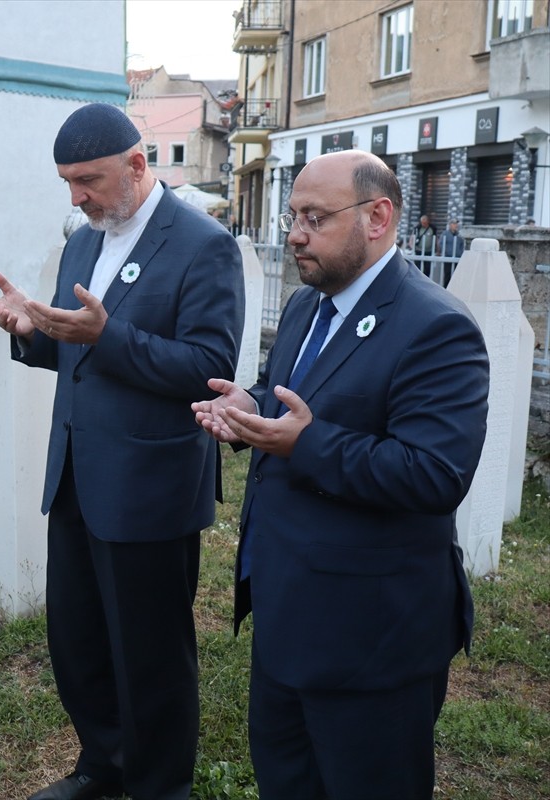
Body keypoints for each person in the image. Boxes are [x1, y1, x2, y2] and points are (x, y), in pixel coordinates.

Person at [192, 150, 488, 799]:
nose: (295, 233)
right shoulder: (306, 305)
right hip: (287, 616)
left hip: (371, 641)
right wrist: (253, 402)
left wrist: (307, 445)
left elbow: (436, 473)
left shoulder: (436, 329)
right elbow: (294, 392)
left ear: (377, 217)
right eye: (292, 215)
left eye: (314, 218)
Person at [0, 103, 244, 800]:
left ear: (137, 165)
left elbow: (209, 367)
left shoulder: (201, 245)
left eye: (88, 179)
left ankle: (160, 786)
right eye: (66, 181)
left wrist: (107, 338)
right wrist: (29, 333)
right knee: (80, 643)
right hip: (75, 475)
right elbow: (77, 354)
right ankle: (102, 767)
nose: (76, 196)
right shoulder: (83, 240)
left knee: (151, 655)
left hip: (150, 483)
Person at [437, 218, 466, 287]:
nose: (456, 225)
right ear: (450, 225)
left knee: (455, 275)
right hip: (448, 257)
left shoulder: (459, 235)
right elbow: (441, 244)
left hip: (457, 258)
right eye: (454, 224)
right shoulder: (445, 234)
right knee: (447, 275)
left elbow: (462, 245)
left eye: (456, 224)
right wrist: (445, 252)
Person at [409, 213, 437, 278]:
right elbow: (412, 238)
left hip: (428, 251)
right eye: (422, 222)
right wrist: (412, 247)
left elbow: (436, 239)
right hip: (418, 250)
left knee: (427, 268)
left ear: (428, 222)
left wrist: (437, 250)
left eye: (424, 222)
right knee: (418, 268)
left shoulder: (432, 228)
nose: (423, 224)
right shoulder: (417, 228)